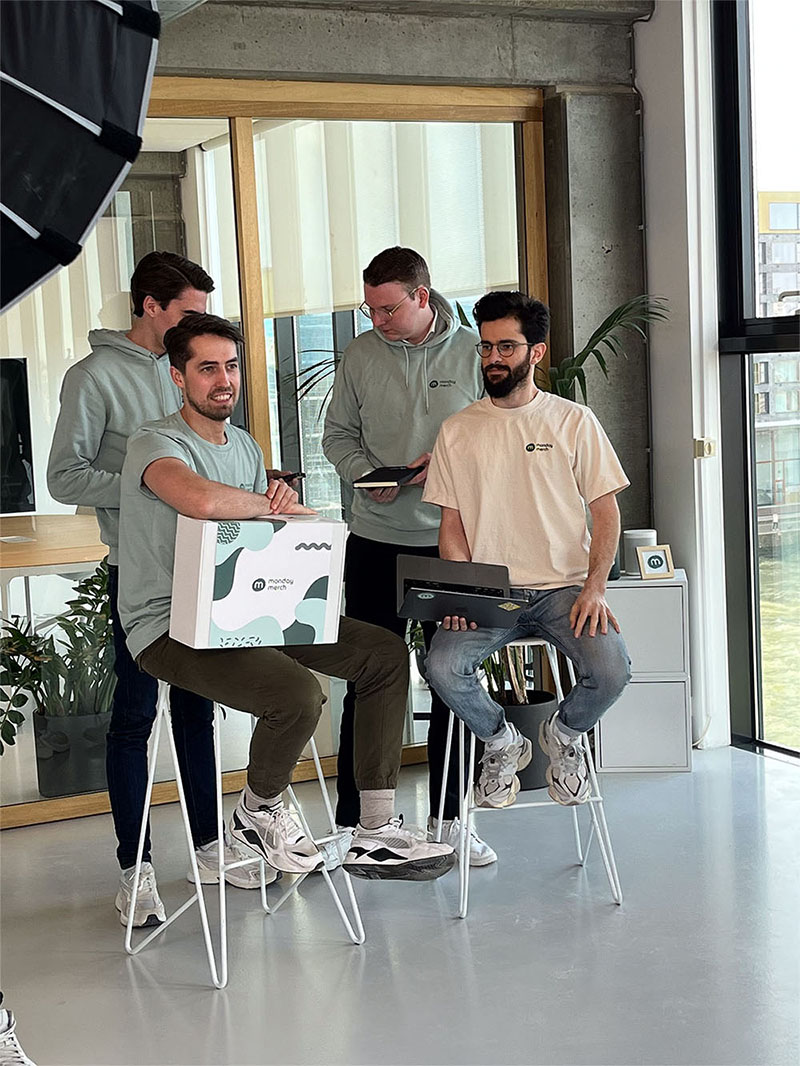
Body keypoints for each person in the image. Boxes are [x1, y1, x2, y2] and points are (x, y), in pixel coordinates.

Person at [117, 312, 455, 882]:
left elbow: (249, 540)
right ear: (178, 378)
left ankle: (374, 828)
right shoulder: (154, 442)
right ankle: (258, 810)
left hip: (245, 610)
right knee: (297, 694)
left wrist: (274, 508)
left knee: (383, 655)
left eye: (231, 366)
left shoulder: (245, 446)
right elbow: (198, 499)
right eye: (206, 369)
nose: (223, 380)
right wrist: (275, 506)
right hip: (169, 626)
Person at [47, 252, 281, 928]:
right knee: (133, 720)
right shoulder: (94, 377)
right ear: (150, 305)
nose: (203, 327)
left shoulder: (205, 370)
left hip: (214, 569)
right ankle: (136, 869)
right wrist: (143, 483)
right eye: (188, 311)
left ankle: (210, 847)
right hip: (142, 573)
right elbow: (65, 476)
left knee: (198, 714)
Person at [423, 291, 632, 809]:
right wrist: (463, 597)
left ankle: (563, 736)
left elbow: (605, 512)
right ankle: (500, 743)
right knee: (442, 668)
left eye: (507, 347)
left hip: (564, 590)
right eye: (486, 347)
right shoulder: (457, 431)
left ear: (536, 353)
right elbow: (453, 524)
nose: (494, 358)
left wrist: (595, 588)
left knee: (612, 670)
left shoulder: (573, 421)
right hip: (493, 594)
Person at [322, 246, 495, 866]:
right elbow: (336, 435)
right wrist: (366, 473)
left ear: (423, 297)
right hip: (373, 539)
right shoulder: (361, 355)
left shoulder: (475, 354)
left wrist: (442, 468)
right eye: (369, 310)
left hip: (453, 543)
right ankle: (356, 823)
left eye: (388, 309)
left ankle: (453, 819)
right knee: (366, 678)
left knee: (452, 675)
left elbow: (496, 440)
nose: (377, 322)